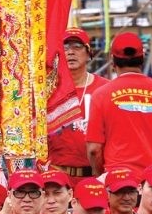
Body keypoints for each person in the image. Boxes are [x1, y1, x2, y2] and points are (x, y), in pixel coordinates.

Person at [87, 32, 152, 175]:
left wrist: (103, 174)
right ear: (143, 58)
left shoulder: (101, 95)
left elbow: (94, 149)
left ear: (113, 60)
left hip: (119, 183)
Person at [46, 28, 108, 184]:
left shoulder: (105, 89)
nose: (70, 52)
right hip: (58, 178)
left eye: (77, 47)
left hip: (97, 178)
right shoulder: (47, 90)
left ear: (88, 54)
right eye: (65, 47)